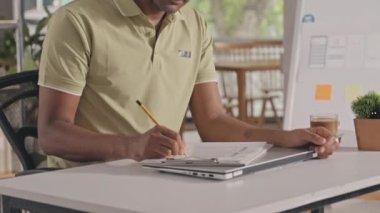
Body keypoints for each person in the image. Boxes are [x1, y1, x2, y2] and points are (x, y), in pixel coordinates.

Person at [38, 0, 339, 168]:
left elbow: (213, 121)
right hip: (83, 188)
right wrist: (133, 146)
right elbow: (51, 133)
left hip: (162, 182)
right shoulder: (77, 20)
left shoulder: (194, 24)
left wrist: (283, 137)